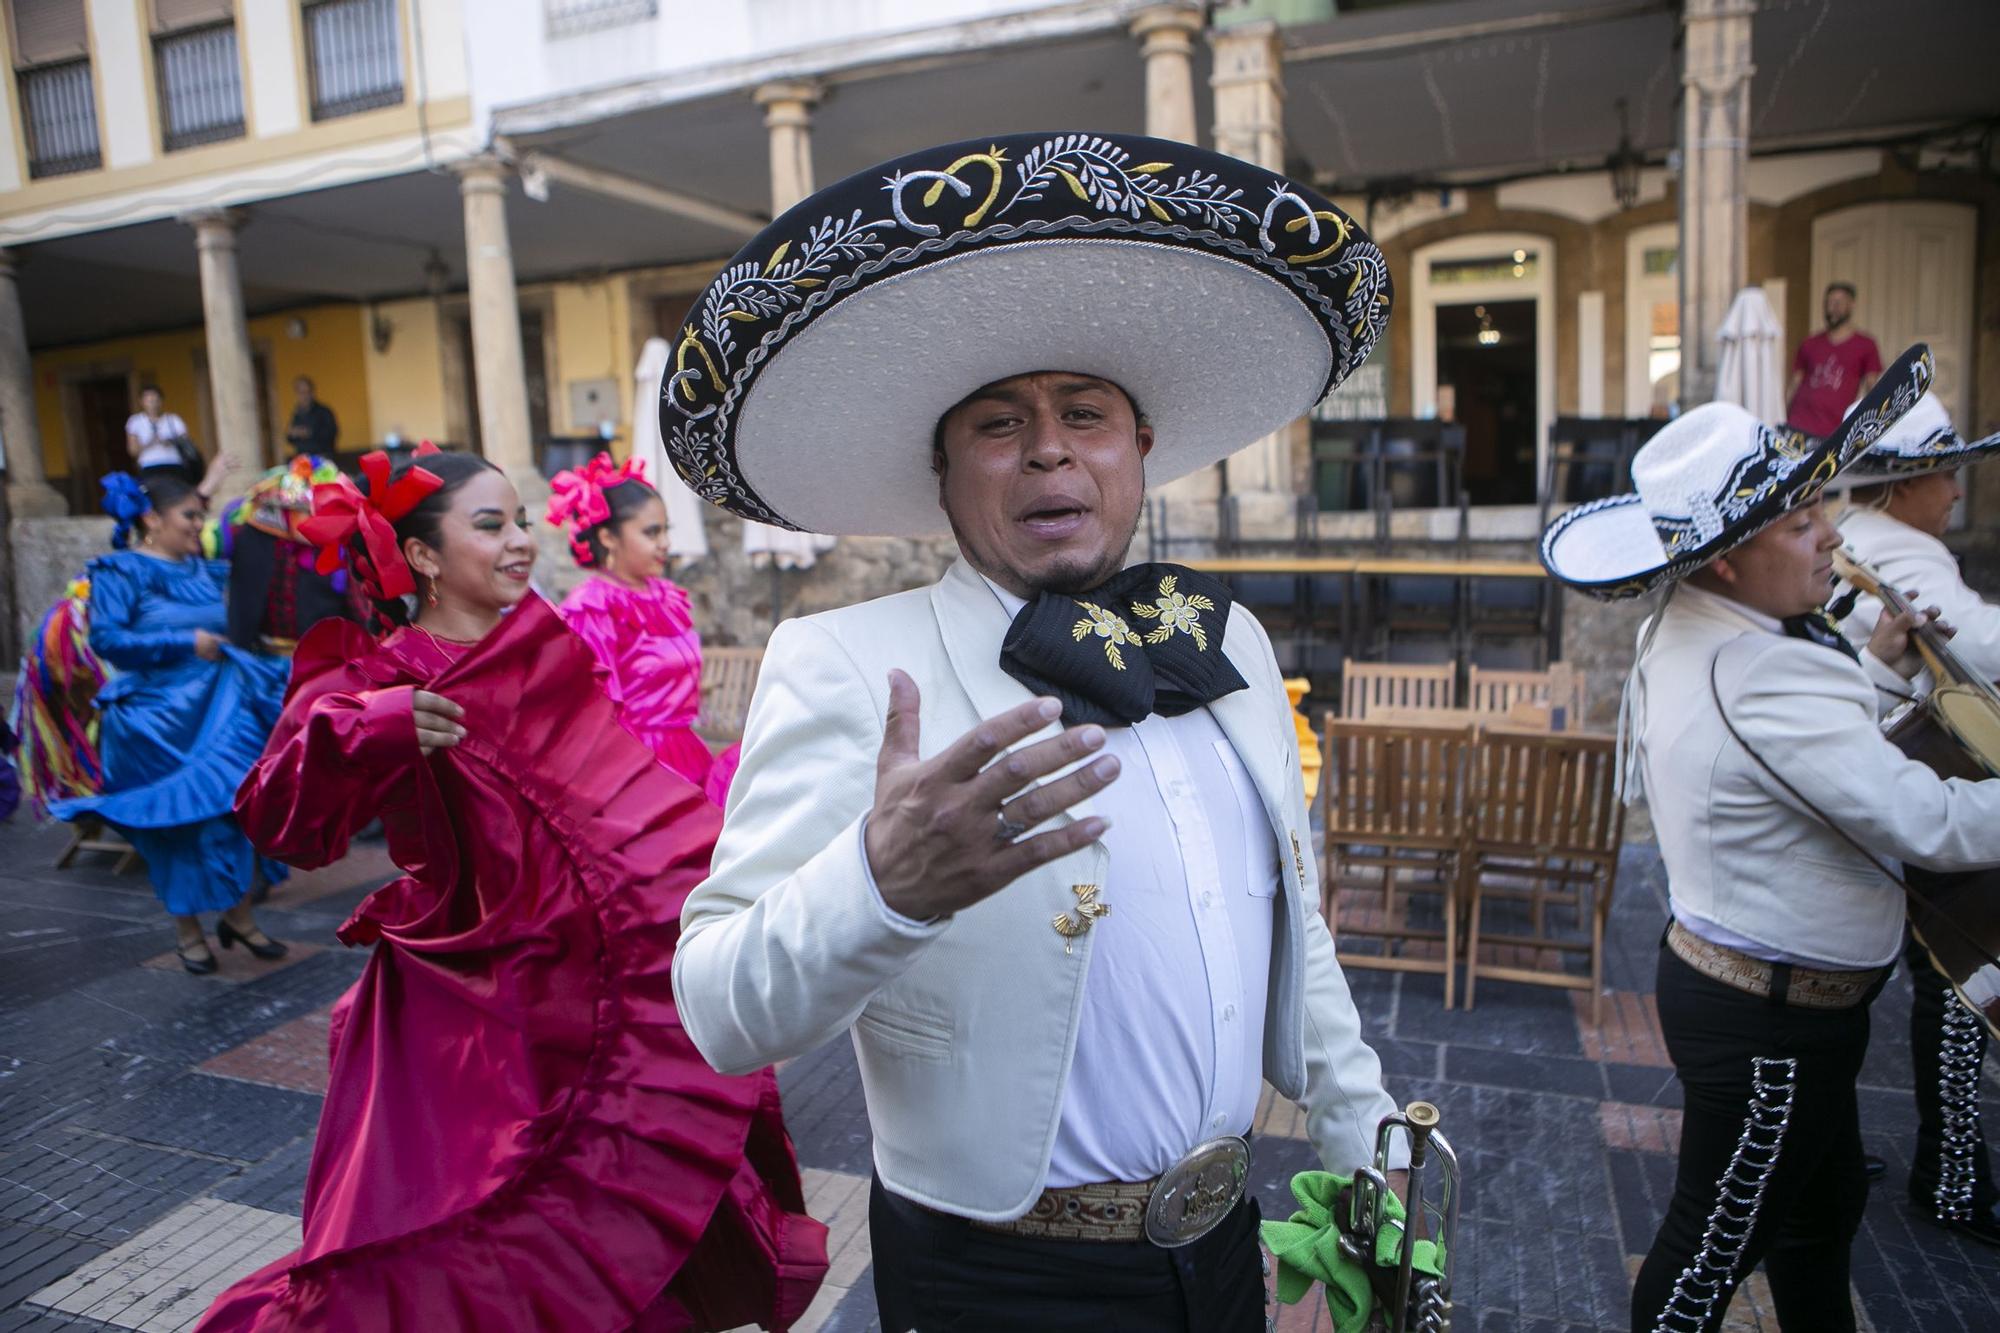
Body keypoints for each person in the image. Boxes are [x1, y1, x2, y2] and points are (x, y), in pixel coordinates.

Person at [665, 131, 1400, 1331]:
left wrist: (1364, 1135)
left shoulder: (1228, 645)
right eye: (999, 425)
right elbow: (718, 1010)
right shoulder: (849, 664)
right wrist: (880, 883)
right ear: (945, 478)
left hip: (1224, 1251)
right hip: (991, 1278)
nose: (1050, 445)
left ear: (1137, 449)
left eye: (1085, 413)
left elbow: (1292, 926)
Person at [198, 447, 825, 1332]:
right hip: (473, 1015)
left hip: (599, 979)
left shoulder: (542, 643)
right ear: (420, 555)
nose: (521, 542)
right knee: (466, 1231)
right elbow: (277, 819)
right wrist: (373, 730)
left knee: (626, 1223)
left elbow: (605, 796)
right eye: (490, 525)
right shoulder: (380, 671)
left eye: (522, 520)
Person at [1540, 345, 2000, 1333]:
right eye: (1800, 520)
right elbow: (1922, 819)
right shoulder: (1757, 665)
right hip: (1769, 1027)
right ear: (1724, 555)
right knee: (1708, 1251)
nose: (1830, 534)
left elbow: (1799, 757)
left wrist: (1875, 671)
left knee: (1817, 1216)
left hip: (1769, 1000)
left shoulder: (1704, 618)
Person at [1831, 390, 2000, 1247]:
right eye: (1947, 474)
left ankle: (1833, 1146)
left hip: (1868, 786)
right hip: (1907, 785)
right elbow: (1982, 646)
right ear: (1906, 485)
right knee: (1954, 983)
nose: (1960, 493)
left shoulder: (1864, 539)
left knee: (1857, 985)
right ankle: (1954, 1173)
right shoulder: (1903, 554)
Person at [49, 471, 291, 973]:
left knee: (236, 814)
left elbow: (252, 609)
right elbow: (107, 640)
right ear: (152, 520)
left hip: (223, 711)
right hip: (155, 724)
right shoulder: (119, 572)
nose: (198, 525)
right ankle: (188, 934)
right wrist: (186, 643)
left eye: (201, 515)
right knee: (181, 826)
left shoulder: (208, 571)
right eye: (189, 515)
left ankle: (240, 918)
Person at [548, 452, 738, 805]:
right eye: (652, 532)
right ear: (607, 537)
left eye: (666, 531)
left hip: (687, 751)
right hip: (635, 768)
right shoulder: (590, 608)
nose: (665, 543)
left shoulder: (666, 596)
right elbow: (596, 711)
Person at [1784, 282, 1883, 438]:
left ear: (1851, 305)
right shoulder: (1809, 343)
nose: (1833, 307)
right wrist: (1784, 417)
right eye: (1829, 302)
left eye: (1839, 303)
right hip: (1798, 424)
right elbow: (1795, 383)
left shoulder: (1866, 345)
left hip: (1834, 432)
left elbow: (1873, 388)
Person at [126, 385, 201, 483]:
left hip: (174, 464)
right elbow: (132, 450)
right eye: (149, 401)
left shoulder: (174, 419)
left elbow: (186, 441)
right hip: (149, 466)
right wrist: (150, 443)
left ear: (161, 401)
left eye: (155, 400)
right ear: (141, 402)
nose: (153, 404)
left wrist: (170, 442)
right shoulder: (135, 421)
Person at [284, 377, 338, 457]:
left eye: (308, 392)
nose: (305, 396)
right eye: (301, 392)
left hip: (323, 458)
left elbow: (332, 433)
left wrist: (309, 432)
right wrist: (292, 433)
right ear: (297, 394)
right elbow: (290, 438)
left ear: (313, 393)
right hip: (304, 459)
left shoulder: (324, 411)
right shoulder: (297, 413)